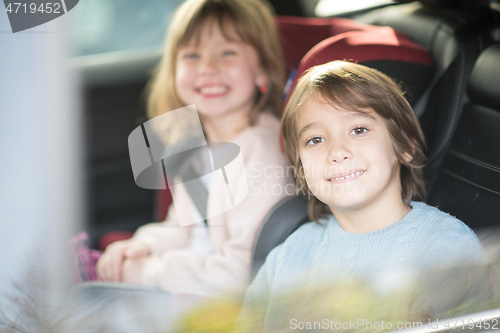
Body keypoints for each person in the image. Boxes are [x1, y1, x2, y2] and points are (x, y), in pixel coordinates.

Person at [237, 61, 486, 331]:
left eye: (359, 130)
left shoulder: (445, 249)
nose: (337, 151)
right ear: (300, 169)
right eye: (316, 139)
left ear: (404, 146)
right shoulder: (288, 255)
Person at [95, 0, 294, 296]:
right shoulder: (192, 146)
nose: (208, 68)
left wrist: (151, 271)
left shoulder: (263, 153)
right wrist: (141, 245)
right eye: (191, 55)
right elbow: (182, 227)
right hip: (187, 285)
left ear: (262, 70)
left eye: (228, 53)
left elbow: (242, 274)